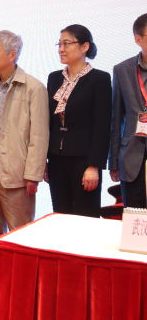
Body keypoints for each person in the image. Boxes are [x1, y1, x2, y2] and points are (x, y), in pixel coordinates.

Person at [0, 31, 48, 296]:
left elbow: (39, 135)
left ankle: (21, 287)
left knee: (19, 231)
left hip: (16, 169)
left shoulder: (33, 87)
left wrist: (33, 174)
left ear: (12, 54)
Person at [47, 25, 111, 217]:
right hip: (56, 159)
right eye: (59, 44)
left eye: (67, 43)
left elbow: (102, 125)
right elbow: (49, 122)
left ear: (85, 47)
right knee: (60, 215)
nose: (61, 49)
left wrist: (94, 166)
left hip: (84, 160)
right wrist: (44, 160)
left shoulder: (99, 79)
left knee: (86, 216)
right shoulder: (54, 78)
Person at [110, 13, 147, 208]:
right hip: (132, 157)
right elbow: (116, 118)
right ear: (137, 39)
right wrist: (113, 162)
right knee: (135, 219)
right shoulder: (122, 70)